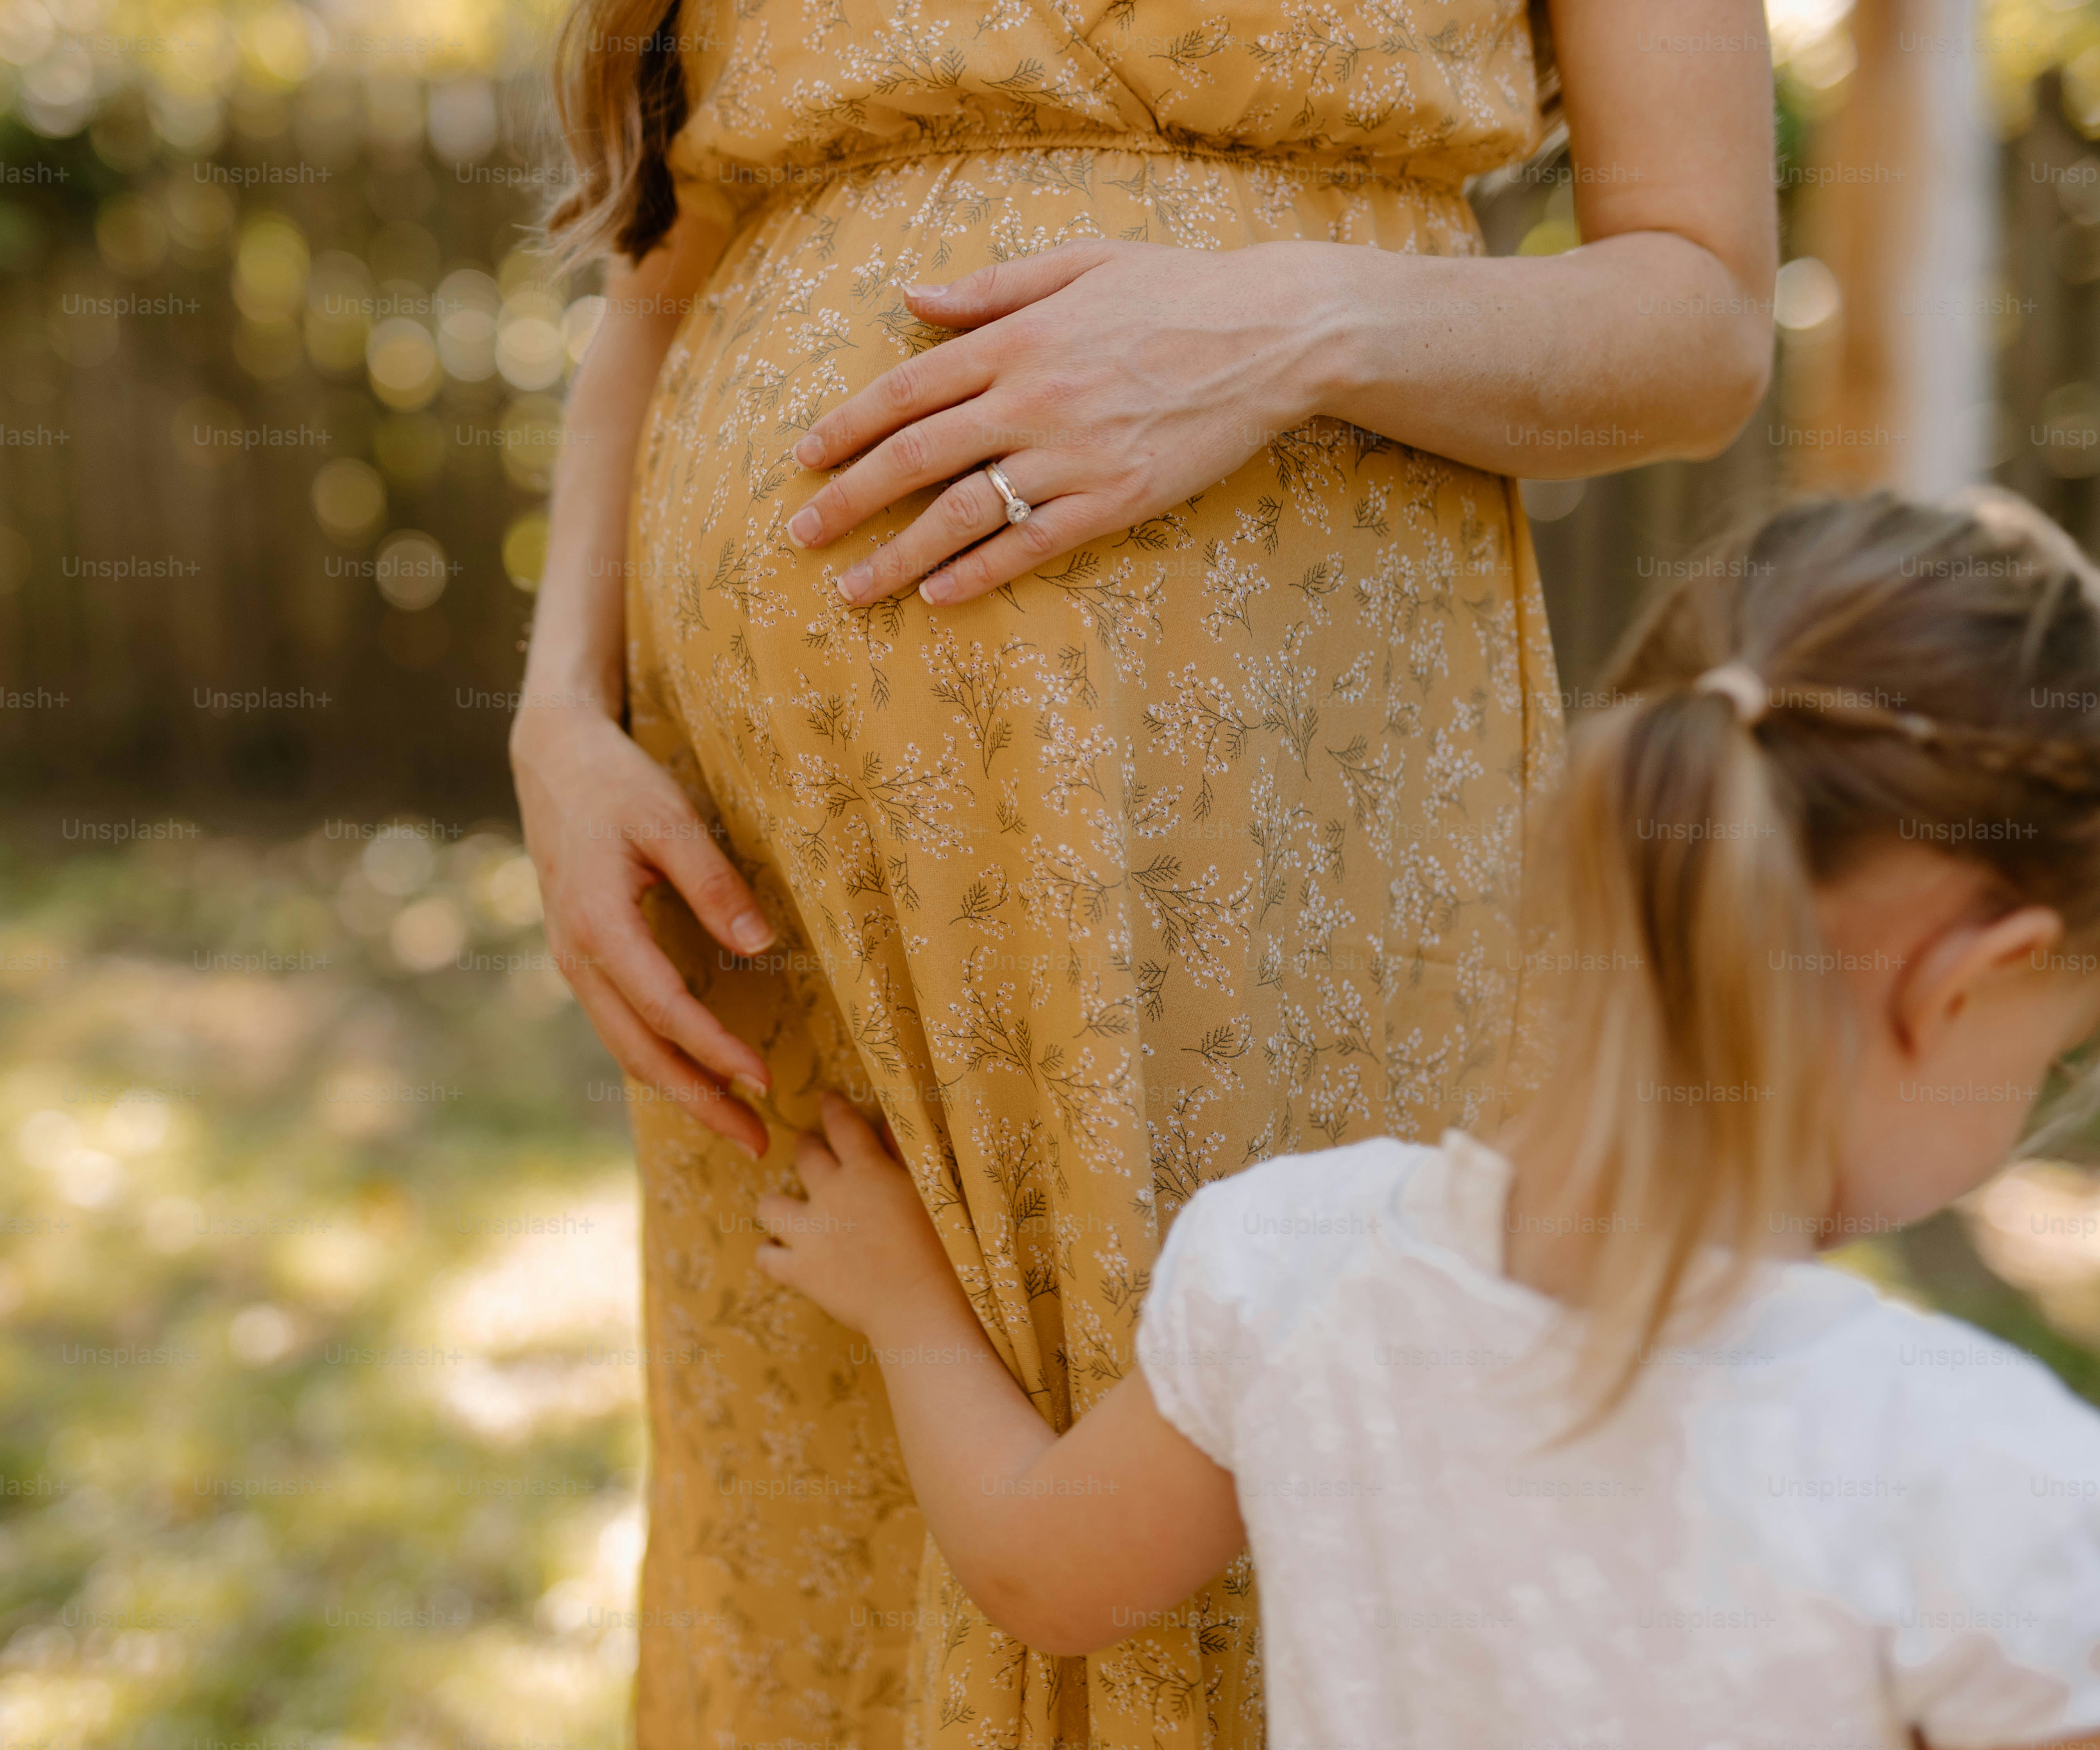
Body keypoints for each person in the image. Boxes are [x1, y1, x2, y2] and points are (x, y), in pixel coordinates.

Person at [513, 0, 1775, 1739]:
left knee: (1235, 1500)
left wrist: (1289, 325)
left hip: (1281, 821)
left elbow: (1701, 318)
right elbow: (667, 270)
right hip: (773, 905)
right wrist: (562, 711)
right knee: (823, 1546)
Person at [753, 491, 2100, 1748]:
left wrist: (907, 1306)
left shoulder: (1290, 1261)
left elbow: (1046, 1580)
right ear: (1962, 985)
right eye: (2054, 1050)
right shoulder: (1985, 1483)